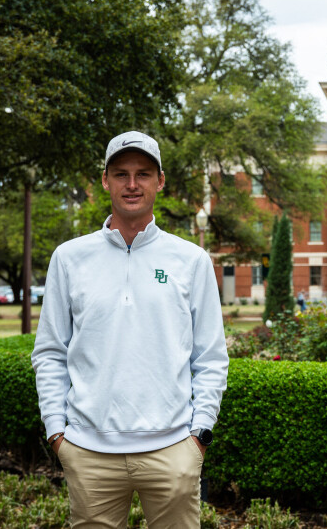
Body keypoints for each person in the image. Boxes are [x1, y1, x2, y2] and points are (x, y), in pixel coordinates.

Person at [31, 131, 229, 528]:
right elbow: (50, 351)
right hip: (88, 452)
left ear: (160, 181)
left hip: (172, 449)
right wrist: (58, 433)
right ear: (105, 181)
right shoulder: (70, 258)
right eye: (121, 174)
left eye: (143, 173)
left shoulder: (190, 260)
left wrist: (199, 437)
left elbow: (210, 357)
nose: (132, 184)